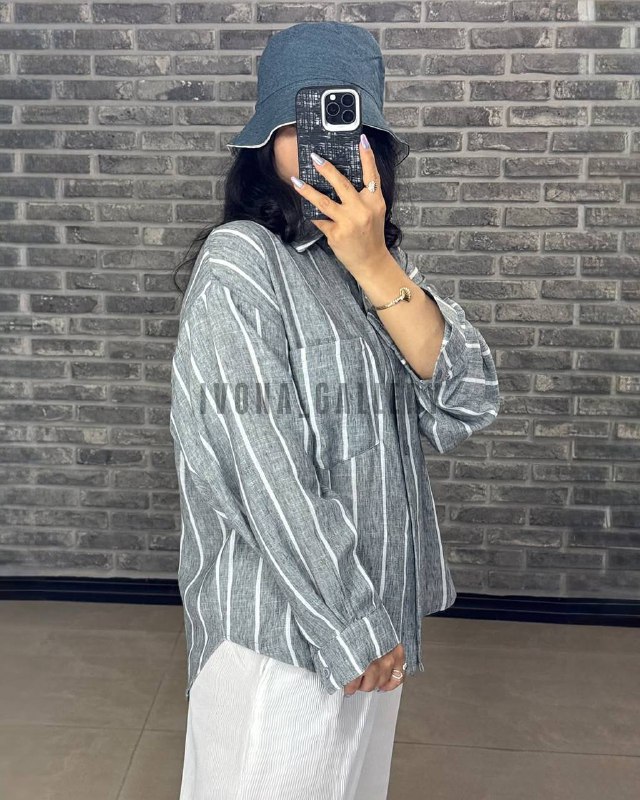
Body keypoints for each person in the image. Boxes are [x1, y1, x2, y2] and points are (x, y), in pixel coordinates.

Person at [169, 21, 501, 800]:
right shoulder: (241, 262)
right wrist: (350, 624)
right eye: (301, 121)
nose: (323, 146)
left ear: (374, 142)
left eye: (345, 122)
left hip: (372, 627)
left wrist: (374, 260)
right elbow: (263, 471)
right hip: (281, 639)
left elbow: (466, 398)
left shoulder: (372, 271)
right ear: (266, 142)